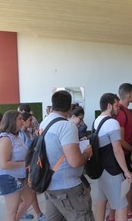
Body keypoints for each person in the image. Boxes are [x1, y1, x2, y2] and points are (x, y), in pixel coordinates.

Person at [39, 90, 94, 221]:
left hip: (50, 183)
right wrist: (87, 153)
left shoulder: (44, 123)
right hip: (67, 188)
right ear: (70, 107)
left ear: (52, 106)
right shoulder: (67, 126)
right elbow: (75, 161)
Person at [94, 93, 132, 221]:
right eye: (117, 105)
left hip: (100, 169)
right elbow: (117, 149)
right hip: (111, 170)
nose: (118, 108)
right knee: (121, 205)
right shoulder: (112, 123)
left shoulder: (97, 121)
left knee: (101, 200)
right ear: (109, 106)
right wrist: (126, 171)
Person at [106, 83, 132, 221]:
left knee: (131, 179)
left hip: (125, 153)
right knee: (126, 182)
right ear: (128, 95)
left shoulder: (124, 111)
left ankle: (126, 210)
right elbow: (120, 140)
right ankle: (120, 214)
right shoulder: (121, 113)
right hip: (122, 154)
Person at [0, 110, 35, 221]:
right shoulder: (5, 139)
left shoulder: (16, 136)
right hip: (9, 178)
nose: (22, 121)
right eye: (19, 119)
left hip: (19, 176)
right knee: (11, 211)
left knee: (29, 198)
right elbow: (4, 164)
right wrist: (27, 163)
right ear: (11, 121)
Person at [19, 112, 45, 221]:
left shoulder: (29, 132)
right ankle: (38, 215)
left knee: (30, 192)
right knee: (29, 193)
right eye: (30, 120)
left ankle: (35, 214)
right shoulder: (20, 134)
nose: (32, 122)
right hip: (25, 167)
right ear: (23, 121)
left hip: (29, 166)